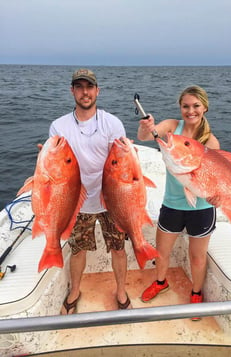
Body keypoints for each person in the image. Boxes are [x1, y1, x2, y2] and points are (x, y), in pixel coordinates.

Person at [49, 68, 131, 314]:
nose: (85, 92)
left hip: (110, 200)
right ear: (72, 90)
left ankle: (121, 290)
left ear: (97, 91)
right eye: (80, 87)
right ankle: (75, 291)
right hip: (76, 200)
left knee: (118, 247)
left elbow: (122, 163)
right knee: (78, 249)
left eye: (89, 87)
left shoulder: (112, 122)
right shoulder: (59, 126)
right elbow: (53, 166)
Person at [137, 85, 220, 320]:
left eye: (195, 106)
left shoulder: (211, 142)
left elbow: (215, 179)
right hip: (172, 204)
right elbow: (145, 136)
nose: (190, 110)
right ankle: (160, 282)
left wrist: (216, 195)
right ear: (180, 108)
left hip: (201, 208)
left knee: (197, 256)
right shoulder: (173, 127)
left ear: (204, 107)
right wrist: (146, 127)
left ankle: (195, 293)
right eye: (185, 106)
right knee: (161, 251)